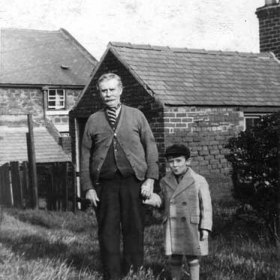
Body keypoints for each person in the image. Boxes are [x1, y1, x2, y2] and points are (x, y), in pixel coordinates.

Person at [80, 73, 159, 280]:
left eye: (112, 89)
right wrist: (88, 187)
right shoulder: (93, 120)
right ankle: (112, 274)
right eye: (104, 91)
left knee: (134, 228)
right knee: (108, 231)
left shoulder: (137, 116)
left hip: (134, 182)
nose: (108, 94)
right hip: (105, 185)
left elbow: (150, 146)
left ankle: (133, 272)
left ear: (120, 90)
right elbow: (85, 154)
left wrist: (150, 179)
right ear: (100, 94)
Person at [144, 144, 212, 280]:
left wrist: (205, 227)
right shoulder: (165, 181)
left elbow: (206, 206)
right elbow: (163, 201)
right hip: (173, 225)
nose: (174, 165)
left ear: (188, 161)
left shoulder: (198, 180)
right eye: (171, 162)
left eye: (178, 161)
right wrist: (151, 198)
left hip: (191, 225)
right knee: (175, 256)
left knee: (192, 256)